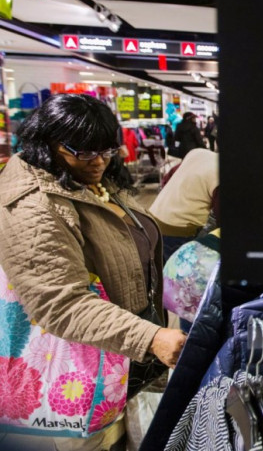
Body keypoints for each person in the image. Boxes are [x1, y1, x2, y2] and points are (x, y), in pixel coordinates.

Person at [0, 94, 186, 451]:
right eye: (84, 152)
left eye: (106, 151)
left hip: (126, 357)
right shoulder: (33, 204)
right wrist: (150, 337)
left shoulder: (91, 181)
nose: (98, 161)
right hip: (83, 370)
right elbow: (60, 303)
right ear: (47, 143)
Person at [148, 148, 219, 263]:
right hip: (179, 231)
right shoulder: (225, 172)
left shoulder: (197, 153)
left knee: (163, 273)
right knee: (180, 276)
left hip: (152, 220)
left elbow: (166, 179)